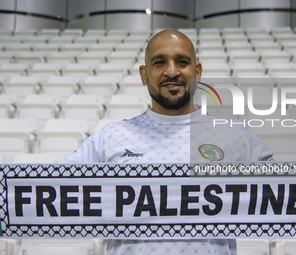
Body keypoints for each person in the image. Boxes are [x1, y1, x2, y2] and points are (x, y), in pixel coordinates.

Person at [61, 29, 273, 255]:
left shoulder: (236, 136)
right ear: (144, 75)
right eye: (160, 62)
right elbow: (50, 193)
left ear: (197, 72)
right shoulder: (109, 138)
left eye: (182, 62)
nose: (172, 72)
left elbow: (289, 197)